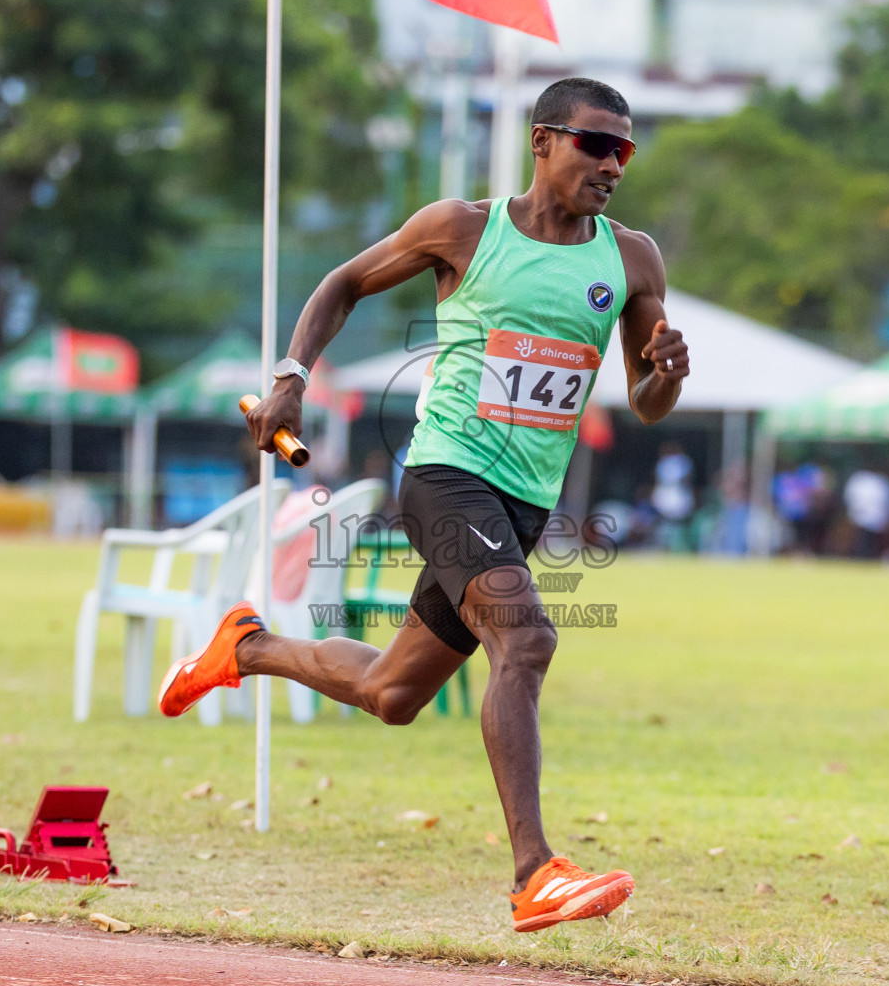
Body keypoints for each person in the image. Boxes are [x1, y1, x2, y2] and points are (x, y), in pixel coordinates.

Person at [157, 78, 687, 931]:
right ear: (543, 141)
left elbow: (647, 400)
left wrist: (662, 372)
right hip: (446, 474)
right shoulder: (464, 230)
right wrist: (292, 379)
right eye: (597, 144)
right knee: (529, 640)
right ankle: (534, 874)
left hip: (522, 503)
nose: (614, 164)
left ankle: (245, 648)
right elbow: (343, 283)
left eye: (625, 149)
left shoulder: (631, 259)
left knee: (394, 693)